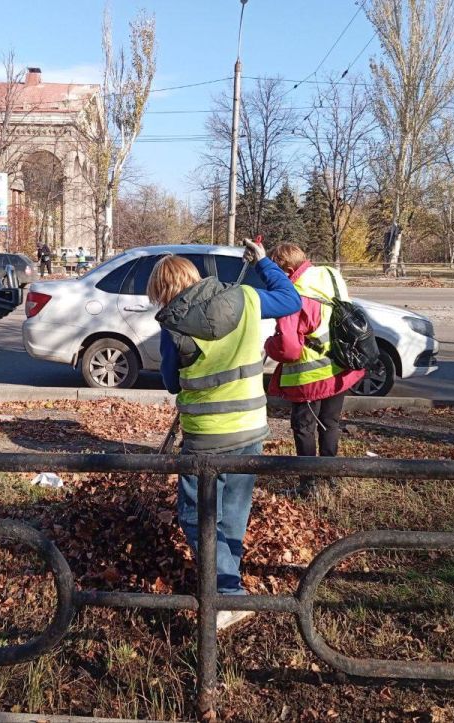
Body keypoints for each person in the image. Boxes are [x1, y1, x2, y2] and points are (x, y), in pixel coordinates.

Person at [149, 239, 301, 630]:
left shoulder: (174, 324)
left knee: (194, 515)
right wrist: (264, 262)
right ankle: (228, 588)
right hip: (250, 428)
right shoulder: (247, 298)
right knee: (233, 514)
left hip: (205, 437)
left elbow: (170, 382)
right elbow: (290, 299)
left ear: (164, 291)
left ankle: (227, 595)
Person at [264, 244, 365, 500]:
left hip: (310, 376)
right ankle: (329, 479)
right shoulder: (329, 274)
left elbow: (288, 350)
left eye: (276, 274)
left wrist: (268, 344)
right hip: (341, 366)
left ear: (287, 271)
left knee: (304, 428)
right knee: (330, 423)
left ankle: (308, 485)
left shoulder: (292, 295)